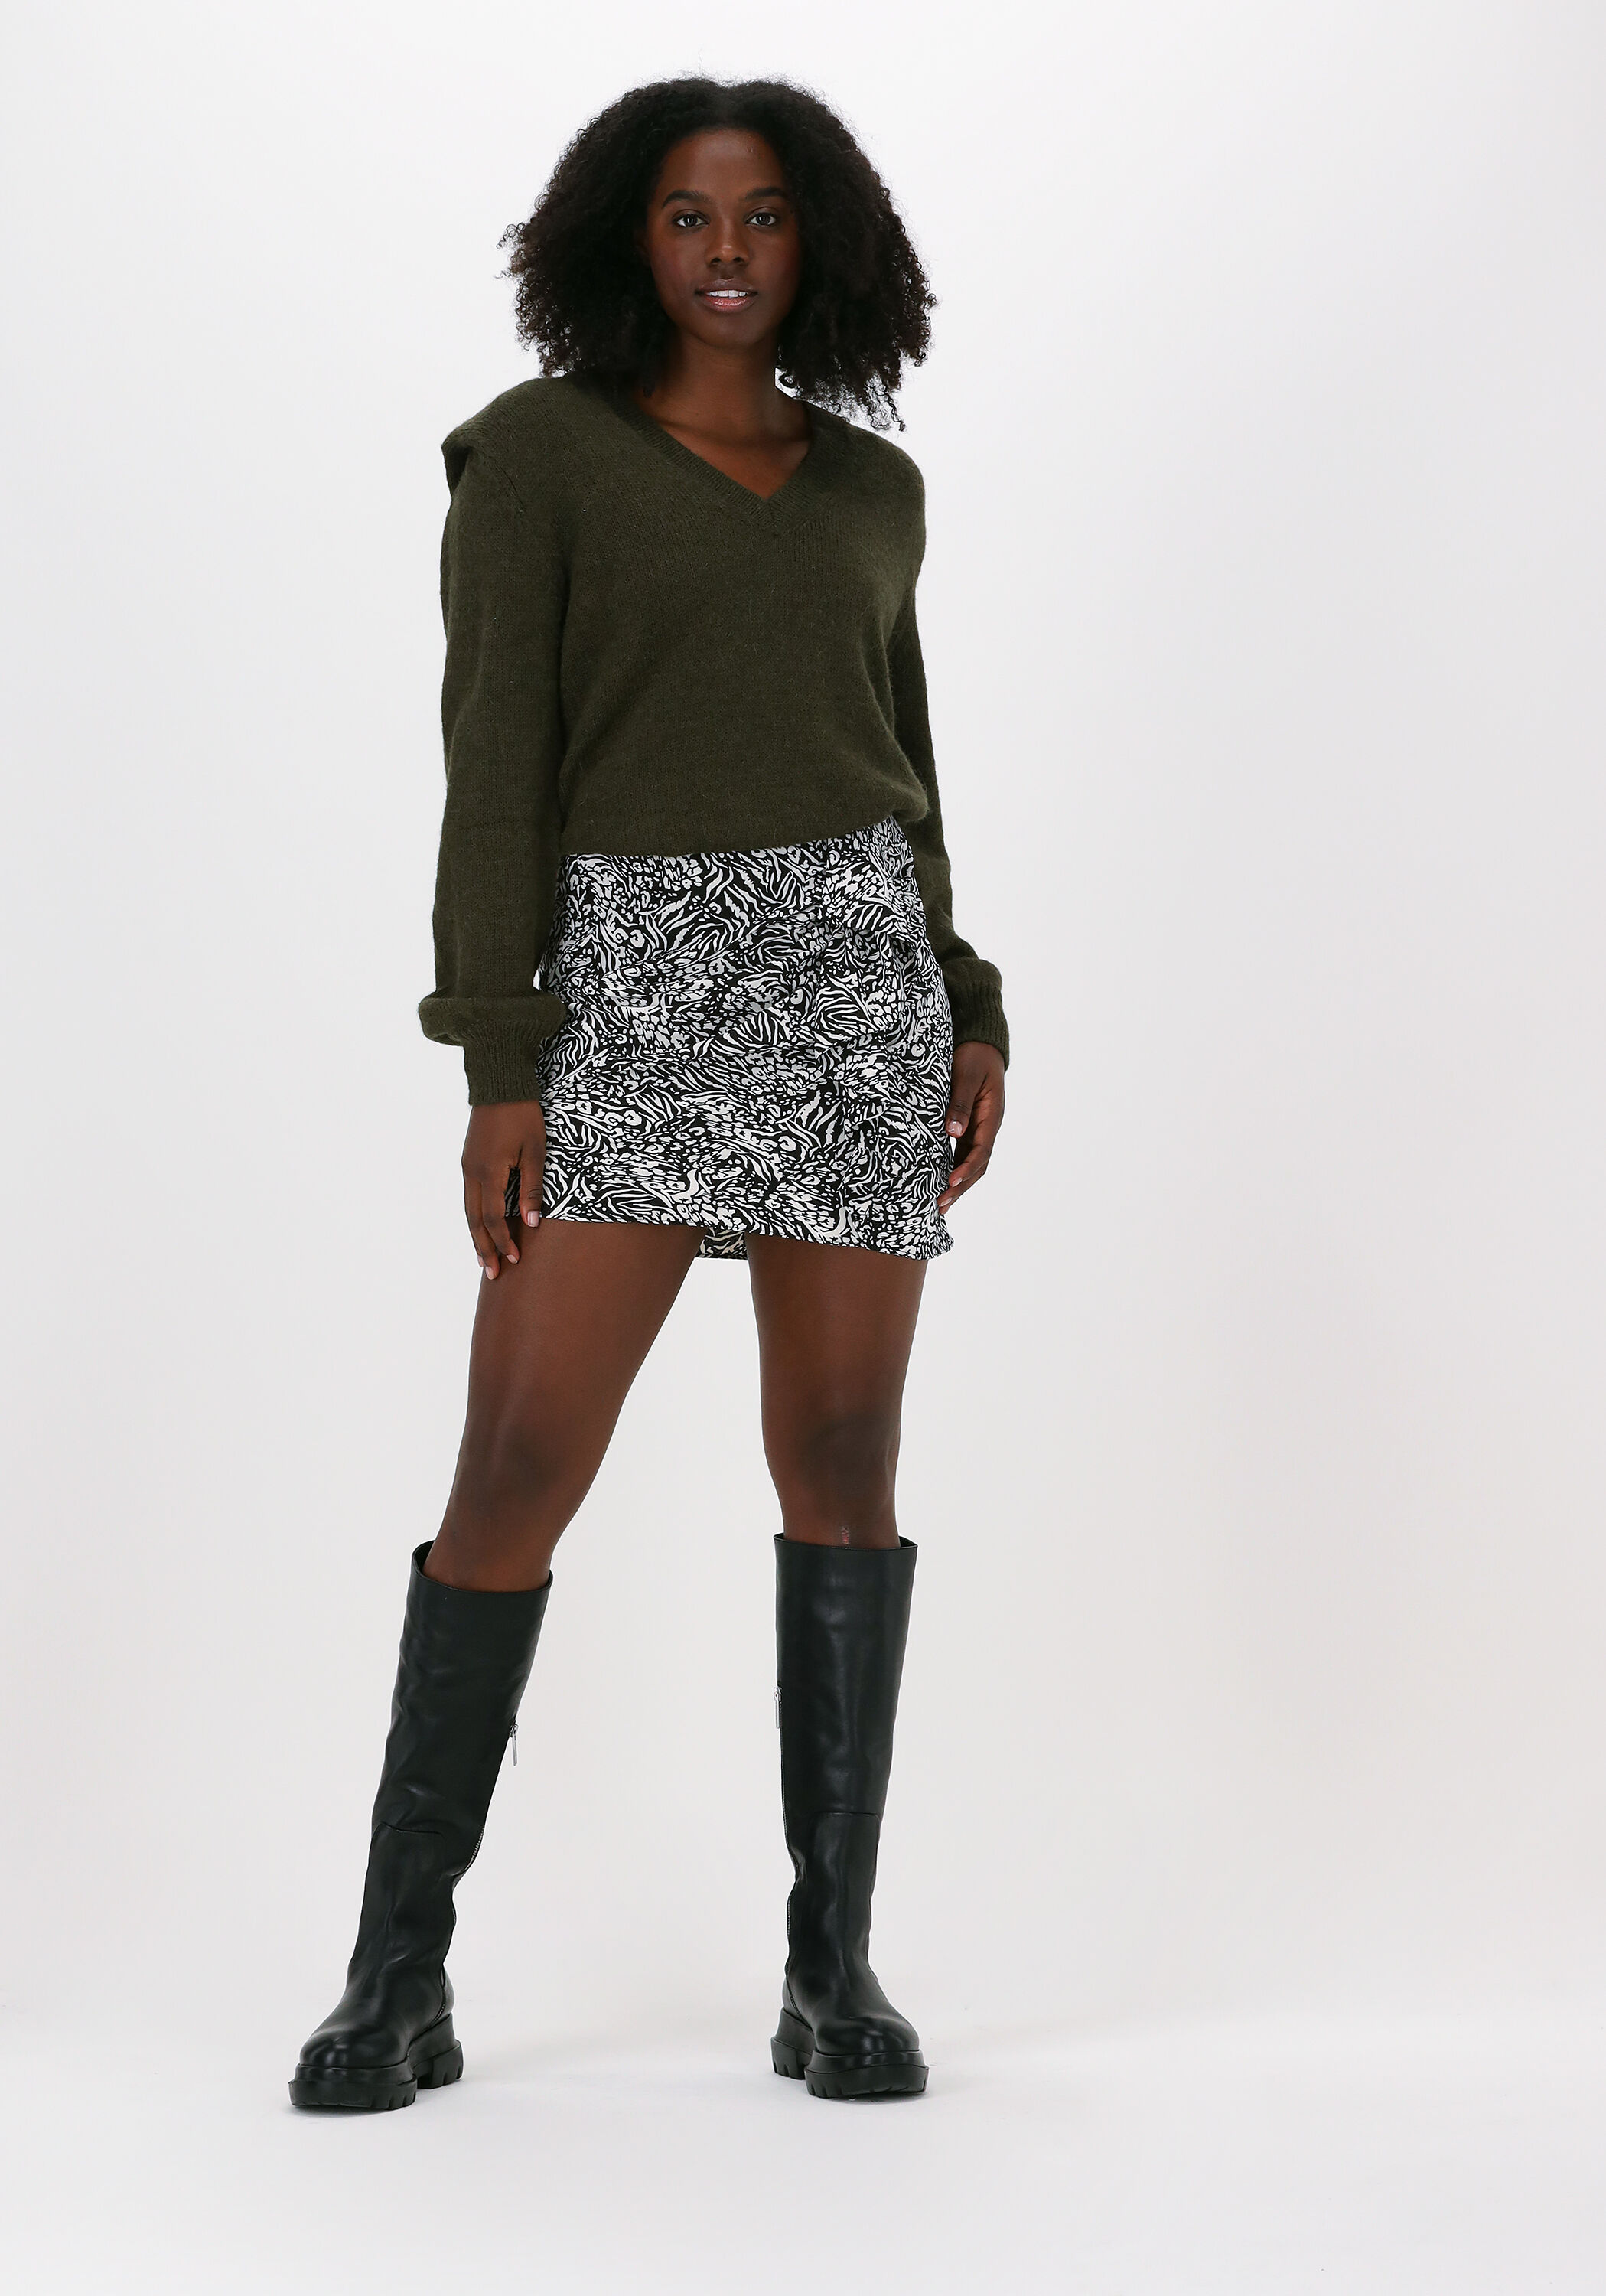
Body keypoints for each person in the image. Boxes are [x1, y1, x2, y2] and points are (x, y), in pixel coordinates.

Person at [289, 74, 1008, 2113]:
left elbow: (900, 766)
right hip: (625, 984)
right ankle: (395, 1978)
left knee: (844, 1456)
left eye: (763, 215)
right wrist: (500, 1054)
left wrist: (964, 1001)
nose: (726, 251)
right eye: (689, 215)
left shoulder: (873, 493)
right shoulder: (537, 459)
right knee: (518, 1461)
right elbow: (493, 766)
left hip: (852, 980)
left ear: (817, 242)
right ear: (628, 237)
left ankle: (832, 1972)